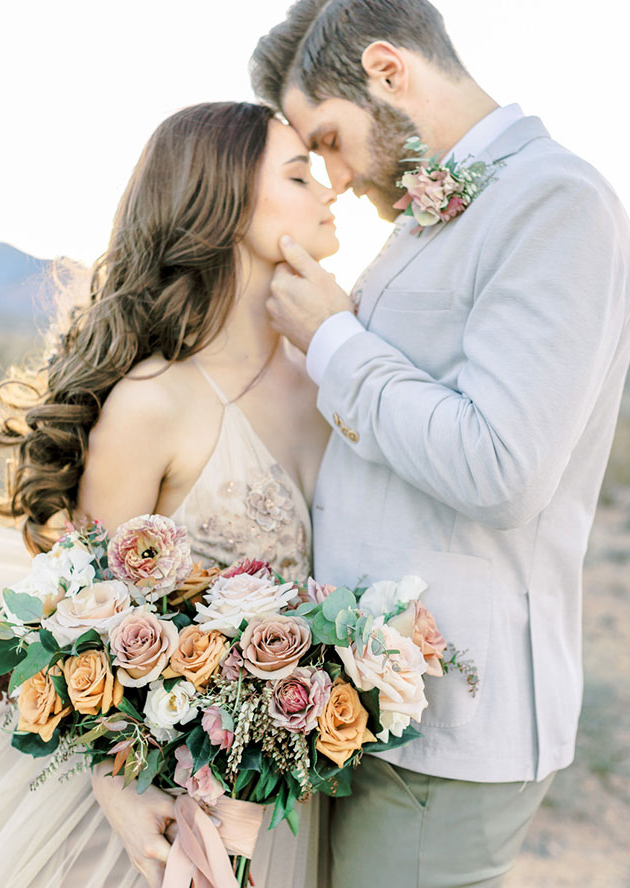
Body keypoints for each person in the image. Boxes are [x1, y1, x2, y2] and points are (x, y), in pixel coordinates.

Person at [250, 1, 630, 886]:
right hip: (375, 710)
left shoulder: (553, 200)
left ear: (388, 70)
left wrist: (337, 339)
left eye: (332, 140)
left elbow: (502, 467)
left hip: (450, 733)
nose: (333, 178)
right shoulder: (429, 217)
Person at [0, 101, 337, 888]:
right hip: (148, 799)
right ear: (229, 203)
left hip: (278, 789)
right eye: (300, 175)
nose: (331, 189)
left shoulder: (335, 376)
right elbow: (84, 621)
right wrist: (114, 787)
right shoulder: (154, 401)